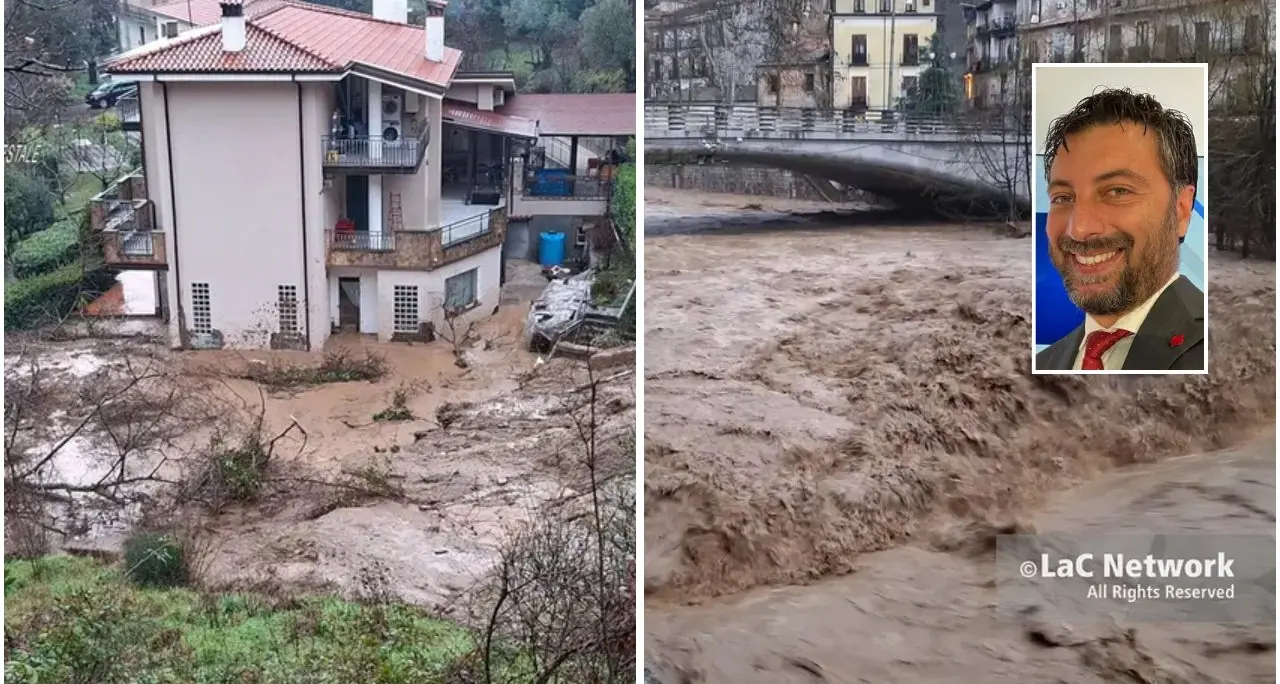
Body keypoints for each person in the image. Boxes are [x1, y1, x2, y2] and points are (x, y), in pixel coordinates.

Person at [1035, 87, 1205, 372]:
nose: (1079, 229)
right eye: (1063, 197)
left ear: (1182, 210)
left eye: (1117, 191)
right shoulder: (1045, 362)